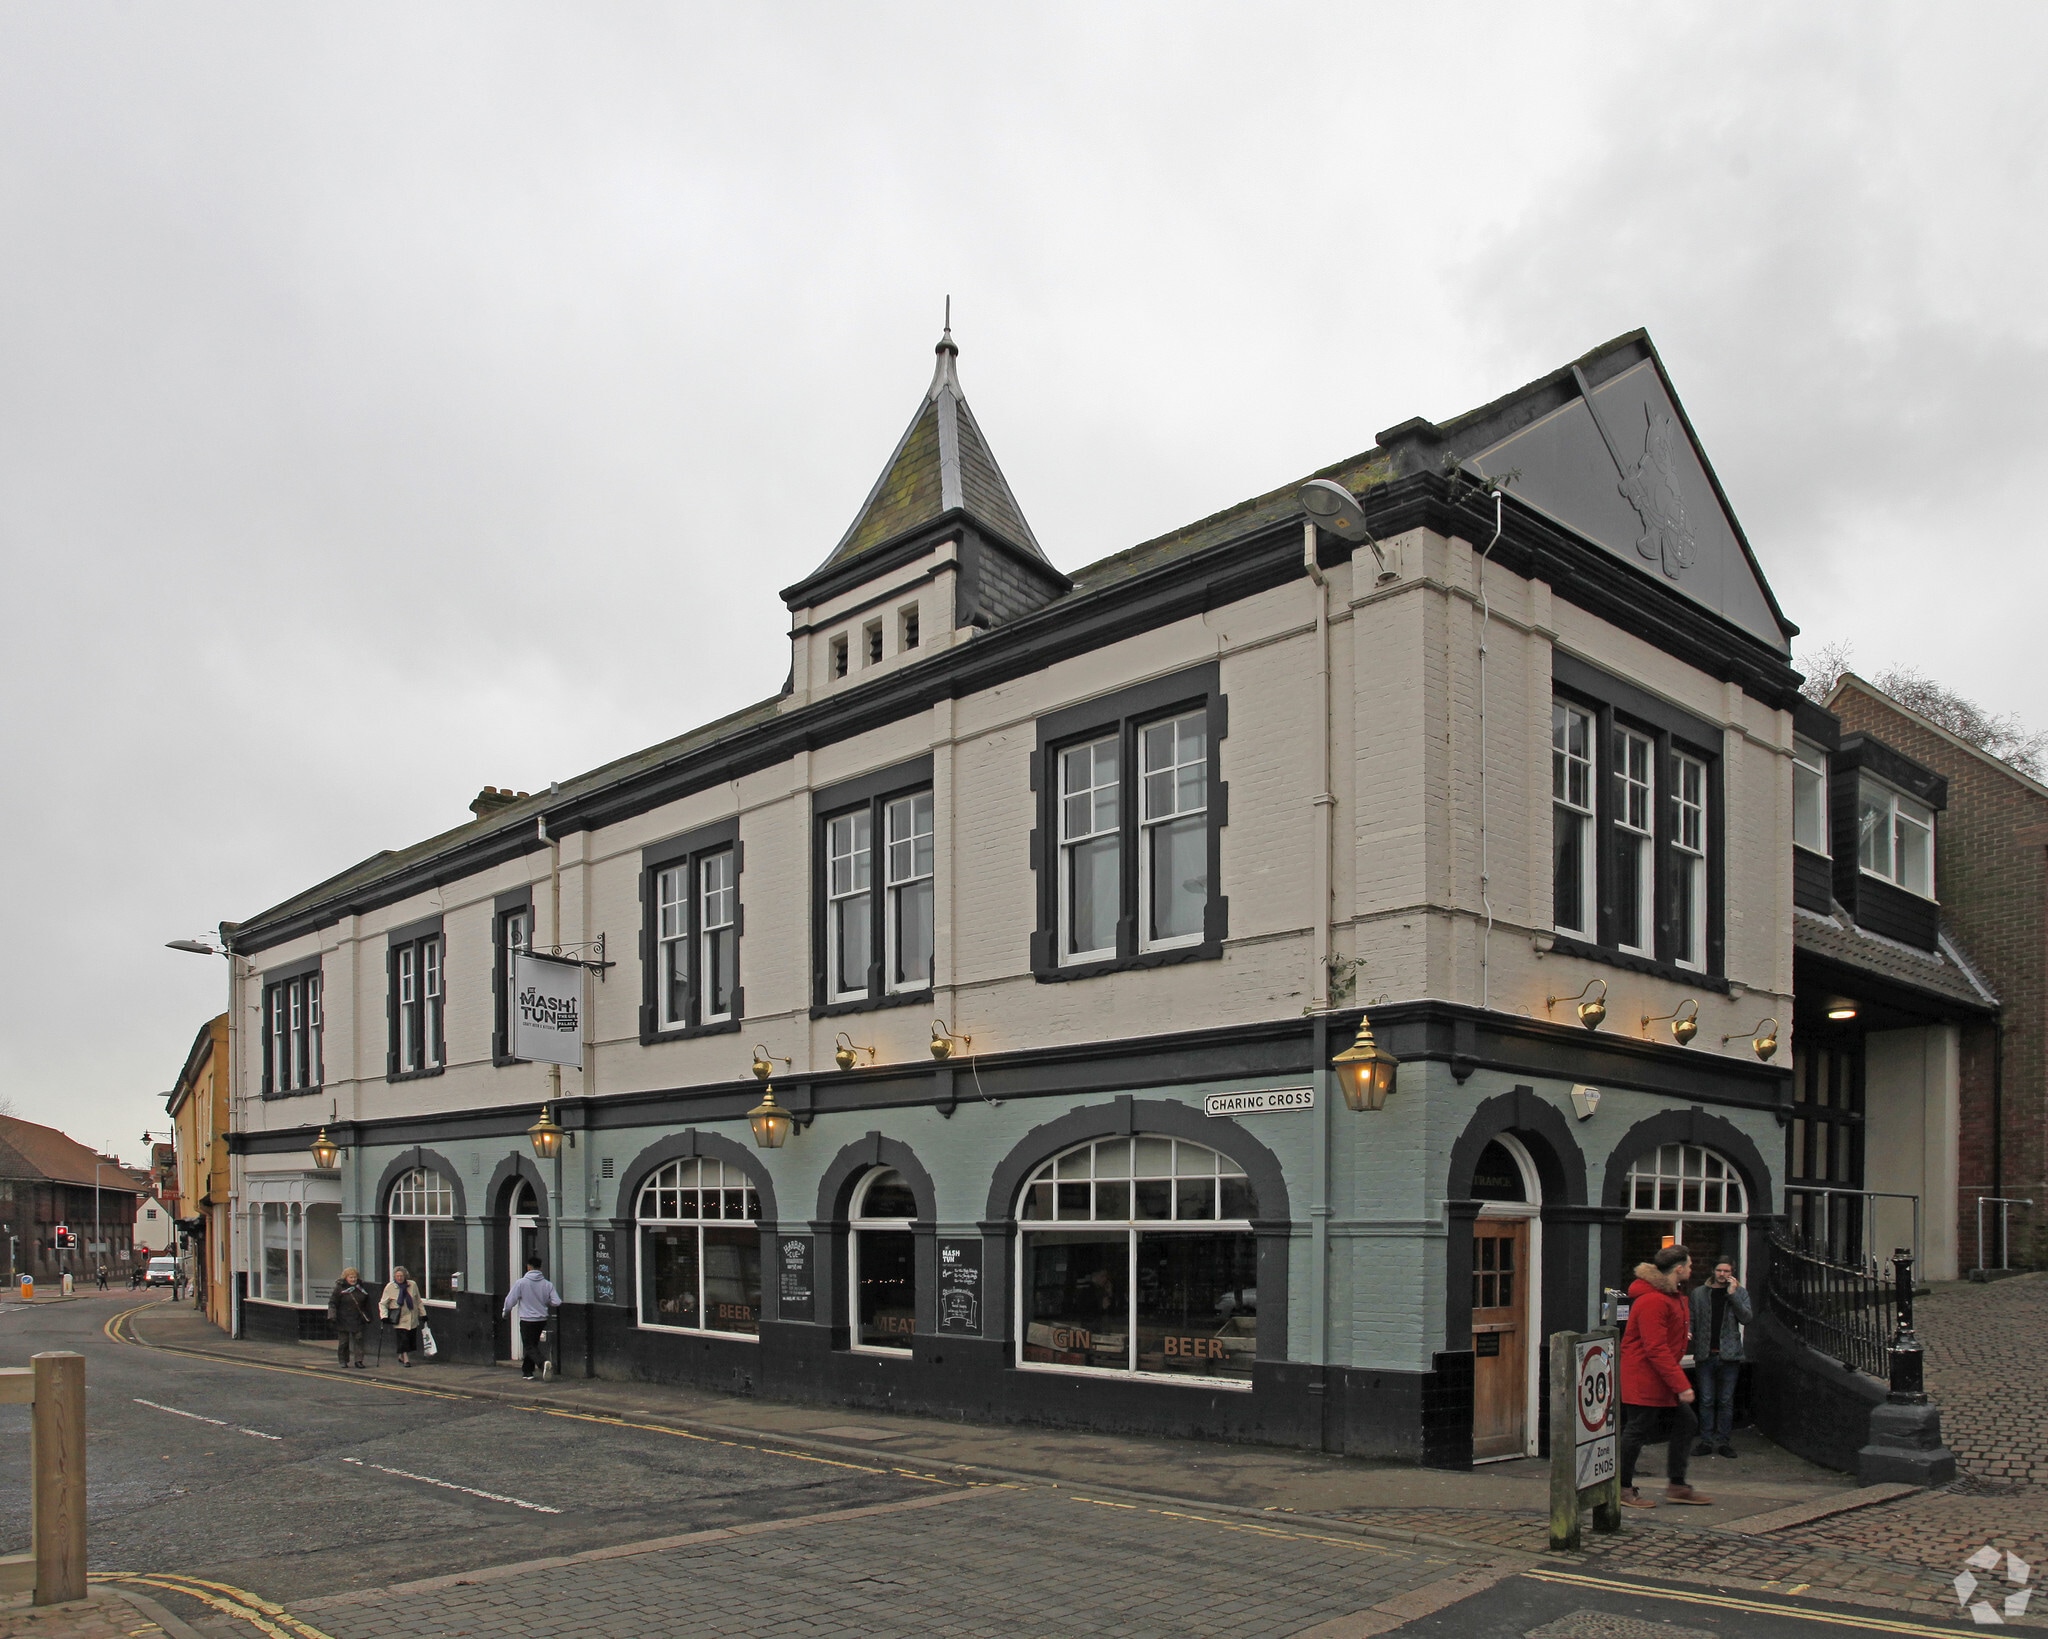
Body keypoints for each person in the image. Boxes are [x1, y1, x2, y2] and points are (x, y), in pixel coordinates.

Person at [1617, 1243, 1714, 1509]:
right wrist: (1682, 1385)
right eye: (1690, 1265)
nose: (1692, 1269)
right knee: (1636, 1431)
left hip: (1659, 1377)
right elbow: (1655, 1348)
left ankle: (1677, 1485)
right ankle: (1622, 1488)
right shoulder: (1653, 1300)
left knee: (1686, 1422)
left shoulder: (1669, 1296)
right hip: (1644, 1377)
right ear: (1679, 1268)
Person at [1689, 1256, 1752, 1458]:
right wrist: (1689, 1334)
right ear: (1713, 1271)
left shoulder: (1740, 1293)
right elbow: (1691, 1318)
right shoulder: (1699, 1293)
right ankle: (1706, 1441)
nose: (1723, 1274)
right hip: (1705, 1354)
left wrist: (1732, 1295)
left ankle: (1723, 1441)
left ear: (1732, 1272)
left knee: (1726, 1400)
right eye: (1719, 1270)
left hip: (1729, 1355)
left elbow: (1747, 1318)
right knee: (1706, 1399)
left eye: (1726, 1271)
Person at [503, 1254, 561, 1380]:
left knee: (529, 1346)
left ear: (529, 1267)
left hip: (527, 1320)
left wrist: (505, 1312)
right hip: (541, 1320)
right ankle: (527, 1372)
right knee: (533, 1345)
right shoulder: (547, 1284)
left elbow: (510, 1300)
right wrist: (545, 1302)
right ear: (540, 1268)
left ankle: (542, 1363)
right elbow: (557, 1302)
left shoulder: (521, 1283)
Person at [327, 1267, 376, 1369]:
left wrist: (369, 1316)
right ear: (346, 1278)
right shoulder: (340, 1288)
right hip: (343, 1319)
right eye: (351, 1277)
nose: (353, 1279)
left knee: (358, 1340)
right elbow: (332, 1303)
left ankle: (358, 1361)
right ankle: (343, 1360)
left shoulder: (361, 1288)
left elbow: (367, 1304)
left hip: (357, 1318)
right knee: (344, 1342)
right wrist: (332, 1316)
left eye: (355, 1277)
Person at [380, 1265, 428, 1367]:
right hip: (399, 1318)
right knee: (403, 1338)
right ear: (394, 1276)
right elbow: (383, 1303)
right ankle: (406, 1359)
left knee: (410, 1338)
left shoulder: (412, 1285)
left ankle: (401, 1355)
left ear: (405, 1276)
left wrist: (423, 1314)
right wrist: (383, 1316)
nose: (399, 1278)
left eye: (401, 1275)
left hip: (412, 1317)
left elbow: (418, 1301)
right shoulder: (390, 1287)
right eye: (397, 1276)